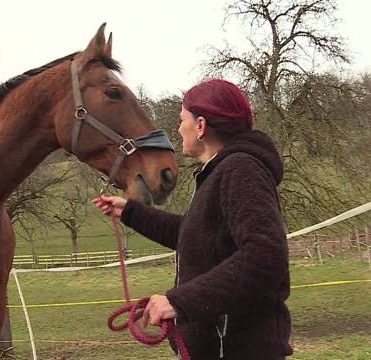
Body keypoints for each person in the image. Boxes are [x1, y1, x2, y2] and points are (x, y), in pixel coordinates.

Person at [93, 79, 292, 359]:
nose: (178, 128)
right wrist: (130, 212)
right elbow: (194, 235)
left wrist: (179, 302)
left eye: (181, 119)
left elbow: (265, 256)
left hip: (234, 349)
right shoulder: (221, 171)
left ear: (200, 126)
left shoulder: (240, 169)